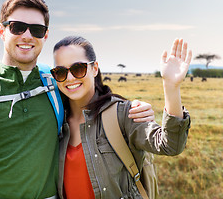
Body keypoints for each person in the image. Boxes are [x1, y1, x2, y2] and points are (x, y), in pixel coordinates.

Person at [0, 0, 154, 199]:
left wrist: (132, 106)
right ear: (2, 31)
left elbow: (90, 102)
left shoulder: (56, 82)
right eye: (17, 27)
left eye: (37, 30)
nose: (27, 35)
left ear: (45, 36)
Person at [51, 36, 191, 198]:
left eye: (78, 69)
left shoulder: (121, 113)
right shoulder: (56, 122)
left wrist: (171, 86)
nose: (69, 78)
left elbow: (170, 145)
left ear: (95, 68)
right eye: (60, 72)